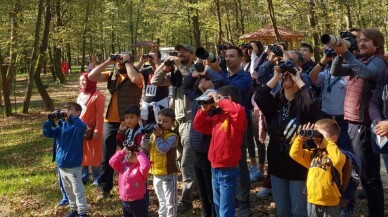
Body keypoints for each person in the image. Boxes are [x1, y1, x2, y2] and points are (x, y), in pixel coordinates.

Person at [254, 51, 320, 216]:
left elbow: (312, 103)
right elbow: (259, 96)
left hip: (299, 163)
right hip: (277, 162)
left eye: (292, 77)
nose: (288, 77)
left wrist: (298, 78)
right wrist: (276, 76)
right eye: (286, 76)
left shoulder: (304, 104)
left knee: (299, 209)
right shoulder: (274, 103)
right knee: (282, 209)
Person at [330, 28, 386, 217]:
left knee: (369, 174)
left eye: (366, 41)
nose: (361, 43)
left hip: (365, 123)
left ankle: (376, 213)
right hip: (353, 122)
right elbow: (335, 71)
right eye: (360, 40)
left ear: (377, 44)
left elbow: (367, 73)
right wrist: (339, 53)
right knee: (362, 171)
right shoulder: (361, 60)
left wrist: (346, 52)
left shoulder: (378, 62)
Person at [88, 52, 143, 200]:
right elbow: (91, 76)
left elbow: (134, 78)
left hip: (129, 121)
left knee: (132, 153)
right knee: (107, 155)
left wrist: (126, 63)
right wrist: (108, 61)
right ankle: (105, 188)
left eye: (123, 60)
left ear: (130, 62)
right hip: (110, 121)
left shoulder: (137, 75)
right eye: (118, 60)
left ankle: (133, 186)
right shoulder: (112, 74)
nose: (120, 63)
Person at [151, 44, 197, 212]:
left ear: (192, 54)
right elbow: (155, 81)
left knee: (186, 163)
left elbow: (191, 80)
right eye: (179, 52)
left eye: (184, 51)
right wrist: (165, 67)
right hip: (175, 123)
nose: (180, 54)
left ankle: (186, 202)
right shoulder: (176, 74)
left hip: (191, 121)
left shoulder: (196, 70)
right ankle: (194, 191)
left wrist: (179, 65)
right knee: (179, 159)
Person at [207, 46, 252, 216]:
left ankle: (244, 201)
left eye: (232, 56)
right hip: (221, 123)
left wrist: (216, 72)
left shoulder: (245, 77)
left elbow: (229, 90)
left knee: (239, 164)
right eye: (226, 56)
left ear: (241, 59)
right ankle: (231, 201)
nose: (228, 59)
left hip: (238, 124)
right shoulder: (225, 76)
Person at [193, 85, 247, 217]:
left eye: (219, 99)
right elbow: (198, 125)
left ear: (228, 99)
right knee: (217, 207)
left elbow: (239, 110)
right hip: (214, 167)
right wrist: (204, 110)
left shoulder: (236, 117)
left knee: (225, 211)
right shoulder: (217, 117)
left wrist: (219, 101)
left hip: (228, 169)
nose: (215, 102)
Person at [183, 62, 225, 217]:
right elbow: (186, 87)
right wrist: (194, 74)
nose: (201, 82)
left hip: (209, 151)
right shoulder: (197, 98)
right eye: (199, 81)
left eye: (204, 79)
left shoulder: (217, 101)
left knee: (210, 189)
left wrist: (208, 70)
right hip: (196, 149)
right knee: (202, 190)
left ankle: (214, 213)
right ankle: (205, 213)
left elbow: (220, 80)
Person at [290, 119, 346, 217]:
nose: (316, 138)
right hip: (312, 200)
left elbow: (338, 160)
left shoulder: (336, 155)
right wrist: (300, 138)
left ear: (334, 138)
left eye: (320, 135)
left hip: (330, 202)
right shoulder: (313, 155)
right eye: (315, 134)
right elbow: (294, 154)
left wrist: (327, 141)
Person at [43, 102, 88, 217]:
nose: (65, 111)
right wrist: (50, 120)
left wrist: (71, 117)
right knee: (68, 190)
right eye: (64, 110)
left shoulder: (77, 126)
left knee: (78, 190)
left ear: (77, 113)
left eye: (69, 109)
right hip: (61, 164)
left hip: (73, 164)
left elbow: (83, 127)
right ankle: (74, 209)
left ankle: (82, 212)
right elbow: (47, 133)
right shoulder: (62, 125)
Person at [141, 108, 179, 217]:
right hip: (156, 172)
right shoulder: (155, 135)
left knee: (170, 201)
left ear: (173, 123)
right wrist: (147, 137)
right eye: (159, 120)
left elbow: (163, 149)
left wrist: (157, 136)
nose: (161, 123)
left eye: (165, 121)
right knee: (161, 200)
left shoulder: (172, 136)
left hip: (168, 172)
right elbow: (144, 148)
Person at [109, 131, 150, 217]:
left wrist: (139, 153)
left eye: (133, 154)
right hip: (125, 201)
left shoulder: (140, 169)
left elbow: (146, 166)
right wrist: (123, 152)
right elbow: (112, 162)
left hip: (138, 202)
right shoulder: (123, 166)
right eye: (129, 153)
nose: (130, 155)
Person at [77, 72, 105, 186]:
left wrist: (97, 131)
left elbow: (99, 115)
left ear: (91, 81)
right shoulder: (80, 95)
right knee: (82, 153)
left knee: (94, 154)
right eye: (80, 80)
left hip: (92, 128)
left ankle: (97, 177)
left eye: (84, 80)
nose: (82, 83)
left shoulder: (98, 96)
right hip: (80, 129)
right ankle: (84, 176)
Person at [137, 50, 169, 126]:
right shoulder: (146, 70)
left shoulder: (165, 69)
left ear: (159, 58)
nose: (150, 59)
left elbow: (159, 73)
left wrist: (157, 64)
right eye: (149, 56)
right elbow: (133, 72)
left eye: (152, 57)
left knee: (161, 126)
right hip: (147, 103)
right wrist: (141, 62)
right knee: (145, 127)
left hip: (161, 103)